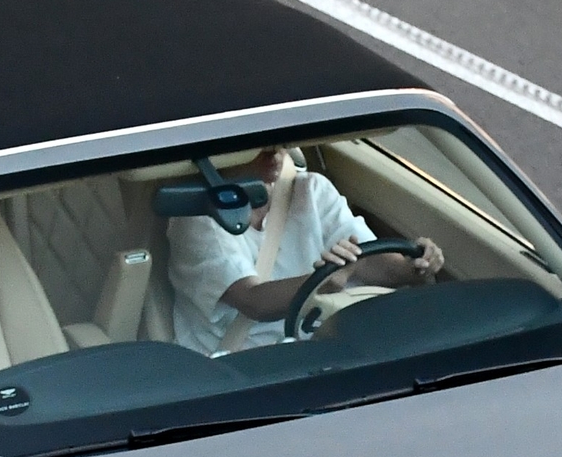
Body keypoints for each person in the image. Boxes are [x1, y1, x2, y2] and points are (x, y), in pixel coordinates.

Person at [164, 147, 443, 354]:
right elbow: (254, 301)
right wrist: (324, 281)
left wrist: (416, 267)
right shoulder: (196, 220)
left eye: (278, 144)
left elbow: (368, 260)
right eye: (258, 147)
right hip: (243, 361)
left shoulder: (312, 189)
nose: (273, 154)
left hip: (324, 344)